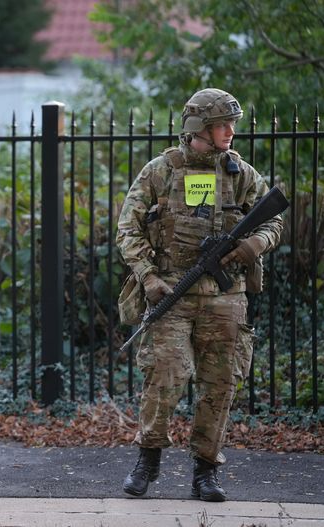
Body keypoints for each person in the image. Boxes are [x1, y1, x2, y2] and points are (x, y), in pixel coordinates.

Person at [116, 88, 283, 501]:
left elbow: (273, 220)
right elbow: (128, 230)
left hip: (226, 299)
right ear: (198, 128)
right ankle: (148, 460)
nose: (231, 132)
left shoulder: (240, 174)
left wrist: (253, 245)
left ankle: (206, 472)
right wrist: (148, 277)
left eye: (232, 124)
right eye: (222, 125)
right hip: (172, 291)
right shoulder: (161, 171)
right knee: (165, 375)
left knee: (221, 384)